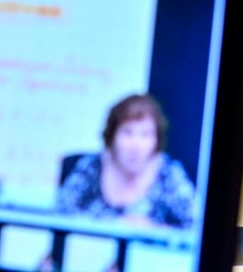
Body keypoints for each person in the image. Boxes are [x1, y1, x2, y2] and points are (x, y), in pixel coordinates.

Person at [55, 94, 196, 229]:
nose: (136, 145)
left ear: (156, 140)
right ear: (112, 136)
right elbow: (61, 216)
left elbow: (197, 226)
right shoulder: (91, 166)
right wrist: (113, 225)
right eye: (128, 132)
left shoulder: (169, 174)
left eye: (146, 134)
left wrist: (154, 230)